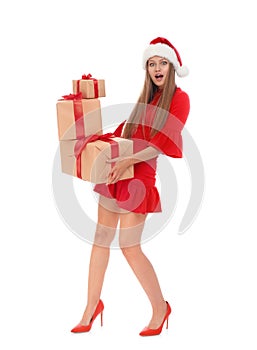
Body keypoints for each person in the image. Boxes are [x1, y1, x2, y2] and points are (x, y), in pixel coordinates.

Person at [71, 37, 190, 336]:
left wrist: (127, 163)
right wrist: (98, 144)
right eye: (152, 64)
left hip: (139, 176)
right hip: (118, 171)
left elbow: (163, 144)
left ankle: (161, 309)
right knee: (100, 237)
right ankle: (91, 307)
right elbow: (125, 133)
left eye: (162, 62)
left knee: (129, 247)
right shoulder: (143, 100)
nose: (157, 68)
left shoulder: (179, 98)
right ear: (147, 69)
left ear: (172, 67)